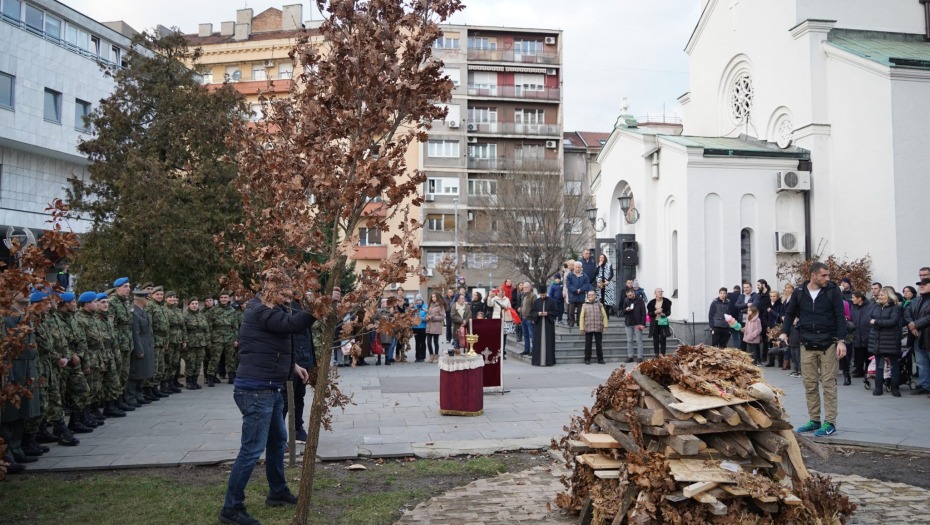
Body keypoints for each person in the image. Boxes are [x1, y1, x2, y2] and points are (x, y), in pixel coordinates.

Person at [219, 283, 339, 525]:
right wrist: (321, 304)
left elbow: (276, 341)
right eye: (285, 293)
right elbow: (292, 327)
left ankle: (277, 492)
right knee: (251, 449)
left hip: (271, 387)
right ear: (271, 292)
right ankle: (231, 508)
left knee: (276, 441)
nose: (290, 298)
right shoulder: (260, 309)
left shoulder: (273, 309)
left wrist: (292, 366)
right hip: (255, 390)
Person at [780, 262, 847, 438]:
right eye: (824, 275)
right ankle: (814, 420)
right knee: (809, 384)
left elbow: (841, 316)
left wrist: (841, 341)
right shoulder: (799, 292)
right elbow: (790, 313)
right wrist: (784, 332)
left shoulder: (832, 291)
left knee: (828, 384)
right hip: (807, 343)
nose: (828, 279)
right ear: (813, 275)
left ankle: (830, 422)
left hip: (829, 344)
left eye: (828, 275)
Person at [0, 292, 40, 471]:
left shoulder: (25, 315)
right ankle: (6, 456)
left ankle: (17, 449)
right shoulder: (6, 316)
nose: (26, 292)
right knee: (9, 413)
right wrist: (7, 371)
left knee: (22, 410)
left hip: (27, 367)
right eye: (20, 290)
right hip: (13, 367)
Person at [283, 296, 315, 443]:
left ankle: (297, 428)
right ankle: (280, 433)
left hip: (303, 358)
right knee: (284, 399)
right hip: (289, 359)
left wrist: (310, 360)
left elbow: (307, 337)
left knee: (299, 396)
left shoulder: (298, 306)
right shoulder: (282, 309)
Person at [868, 287, 903, 397]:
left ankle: (895, 388)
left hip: (890, 340)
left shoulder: (895, 307)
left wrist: (876, 322)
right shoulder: (876, 306)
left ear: (889, 296)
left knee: (893, 364)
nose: (880, 297)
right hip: (877, 340)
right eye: (879, 295)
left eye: (882, 295)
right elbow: (868, 318)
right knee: (879, 364)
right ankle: (878, 388)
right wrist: (874, 322)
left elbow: (893, 321)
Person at [128, 288, 155, 407]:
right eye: (147, 299)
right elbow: (135, 333)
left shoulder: (142, 312)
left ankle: (139, 395)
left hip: (146, 343)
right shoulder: (134, 313)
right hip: (140, 344)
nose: (148, 301)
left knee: (143, 372)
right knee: (135, 373)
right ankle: (130, 397)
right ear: (143, 300)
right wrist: (138, 350)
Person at [210, 292, 241, 385]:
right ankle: (211, 377)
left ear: (229, 299)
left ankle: (231, 377)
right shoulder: (213, 310)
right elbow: (209, 326)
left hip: (229, 337)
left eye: (225, 297)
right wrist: (210, 338)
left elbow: (235, 326)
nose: (224, 299)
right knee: (215, 358)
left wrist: (236, 339)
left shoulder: (232, 311)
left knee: (230, 358)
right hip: (217, 337)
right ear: (219, 299)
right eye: (222, 297)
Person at [908, 275, 930, 396]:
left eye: (924, 284)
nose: (921, 286)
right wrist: (912, 325)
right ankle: (924, 385)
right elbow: (907, 313)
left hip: (927, 334)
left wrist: (915, 324)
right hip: (917, 335)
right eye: (920, 285)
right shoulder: (917, 300)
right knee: (921, 362)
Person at [183, 298, 209, 389]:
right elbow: (184, 330)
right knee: (191, 362)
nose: (194, 305)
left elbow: (206, 329)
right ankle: (189, 382)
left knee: (198, 362)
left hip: (201, 343)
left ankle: (195, 381)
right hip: (191, 343)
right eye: (192, 303)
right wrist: (185, 341)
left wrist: (208, 341)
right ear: (189, 305)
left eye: (196, 303)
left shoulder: (201, 315)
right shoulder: (185, 316)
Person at [529, 284, 557, 366]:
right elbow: (532, 312)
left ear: (546, 293)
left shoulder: (552, 301)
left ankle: (549, 361)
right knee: (538, 342)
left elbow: (555, 312)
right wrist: (538, 313)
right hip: (539, 324)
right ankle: (538, 361)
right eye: (541, 295)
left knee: (549, 342)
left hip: (548, 324)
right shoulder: (536, 302)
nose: (542, 296)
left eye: (544, 295)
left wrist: (547, 313)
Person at [164, 292, 187, 393]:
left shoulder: (178, 310)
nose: (172, 299)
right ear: (166, 299)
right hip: (170, 340)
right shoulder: (164, 310)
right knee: (167, 363)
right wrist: (166, 340)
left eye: (174, 297)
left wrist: (184, 340)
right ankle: (165, 384)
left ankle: (172, 382)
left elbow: (183, 326)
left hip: (178, 339)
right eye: (170, 297)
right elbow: (164, 327)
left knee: (175, 362)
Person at [848, 291, 874, 379]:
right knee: (858, 354)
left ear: (860, 298)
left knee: (868, 353)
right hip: (856, 333)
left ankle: (868, 370)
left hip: (867, 333)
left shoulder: (870, 306)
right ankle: (859, 370)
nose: (852, 299)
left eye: (854, 297)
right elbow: (851, 317)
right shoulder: (853, 307)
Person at [579, 290, 607, 365]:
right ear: (587, 296)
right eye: (589, 295)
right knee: (588, 344)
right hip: (588, 327)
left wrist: (605, 326)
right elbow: (582, 317)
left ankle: (600, 359)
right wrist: (581, 328)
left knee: (599, 344)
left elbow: (604, 316)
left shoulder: (599, 304)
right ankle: (587, 359)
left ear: (595, 296)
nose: (590, 296)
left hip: (598, 327)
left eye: (592, 295)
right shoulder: (584, 305)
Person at [782, 283, 802, 377]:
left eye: (789, 288)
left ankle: (800, 370)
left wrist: (797, 319)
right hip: (792, 326)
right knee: (793, 351)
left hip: (798, 326)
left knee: (798, 353)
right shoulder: (787, 299)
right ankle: (796, 369)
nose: (788, 290)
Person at [622, 288, 646, 362]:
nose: (629, 296)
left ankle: (639, 356)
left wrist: (643, 323)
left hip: (637, 322)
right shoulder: (626, 300)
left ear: (633, 293)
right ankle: (630, 356)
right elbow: (623, 311)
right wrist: (626, 310)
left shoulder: (639, 300)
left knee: (639, 340)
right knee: (629, 340)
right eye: (628, 295)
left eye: (630, 295)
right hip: (628, 323)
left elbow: (643, 312)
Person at [486, 289, 513, 354]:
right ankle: (497, 350)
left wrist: (506, 307)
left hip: (505, 318)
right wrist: (489, 296)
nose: (499, 292)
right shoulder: (494, 299)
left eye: (500, 291)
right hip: (496, 318)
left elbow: (510, 308)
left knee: (504, 336)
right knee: (496, 335)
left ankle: (503, 350)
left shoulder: (506, 299)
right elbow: (489, 305)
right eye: (497, 291)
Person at [647, 288, 672, 357]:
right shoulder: (651, 303)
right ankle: (656, 354)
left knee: (663, 339)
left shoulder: (666, 301)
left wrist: (663, 314)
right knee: (655, 339)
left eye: (661, 291)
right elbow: (650, 313)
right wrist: (655, 312)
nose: (660, 293)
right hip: (655, 322)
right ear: (655, 293)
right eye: (659, 291)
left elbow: (668, 312)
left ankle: (662, 354)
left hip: (663, 322)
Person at [566, 262, 591, 328]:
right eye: (576, 267)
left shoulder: (584, 275)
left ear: (581, 268)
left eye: (579, 267)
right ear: (574, 267)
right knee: (571, 311)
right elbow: (568, 285)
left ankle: (579, 322)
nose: (577, 268)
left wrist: (581, 289)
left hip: (581, 295)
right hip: (572, 295)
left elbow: (586, 284)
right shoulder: (570, 275)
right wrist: (575, 290)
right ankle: (571, 322)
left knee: (580, 310)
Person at [756, 280, 773, 366]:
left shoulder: (769, 295)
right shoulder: (758, 295)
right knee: (761, 337)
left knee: (767, 339)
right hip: (759, 318)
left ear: (764, 285)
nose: (757, 286)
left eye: (758, 285)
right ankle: (761, 356)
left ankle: (765, 356)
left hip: (766, 318)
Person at [426, 293, 446, 363]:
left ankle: (436, 356)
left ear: (437, 297)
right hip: (429, 326)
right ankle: (431, 356)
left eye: (434, 297)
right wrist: (427, 317)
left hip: (436, 326)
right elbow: (428, 314)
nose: (433, 298)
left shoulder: (440, 306)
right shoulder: (430, 305)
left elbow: (442, 317)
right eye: (432, 297)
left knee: (435, 341)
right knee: (428, 342)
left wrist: (433, 317)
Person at [519, 283, 537, 356]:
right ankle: (527, 350)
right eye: (523, 287)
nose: (524, 289)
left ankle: (534, 350)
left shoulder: (533, 296)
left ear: (530, 288)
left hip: (529, 318)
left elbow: (534, 307)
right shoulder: (523, 296)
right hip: (523, 318)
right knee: (525, 335)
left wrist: (533, 318)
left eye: (526, 287)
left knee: (532, 335)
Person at [411, 295, 428, 362]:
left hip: (423, 327)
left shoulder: (425, 307)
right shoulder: (414, 308)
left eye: (420, 300)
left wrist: (421, 319)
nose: (418, 301)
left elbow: (427, 317)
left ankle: (422, 356)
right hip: (415, 327)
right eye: (417, 300)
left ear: (422, 300)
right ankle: (417, 356)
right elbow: (411, 316)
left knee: (423, 342)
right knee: (417, 342)